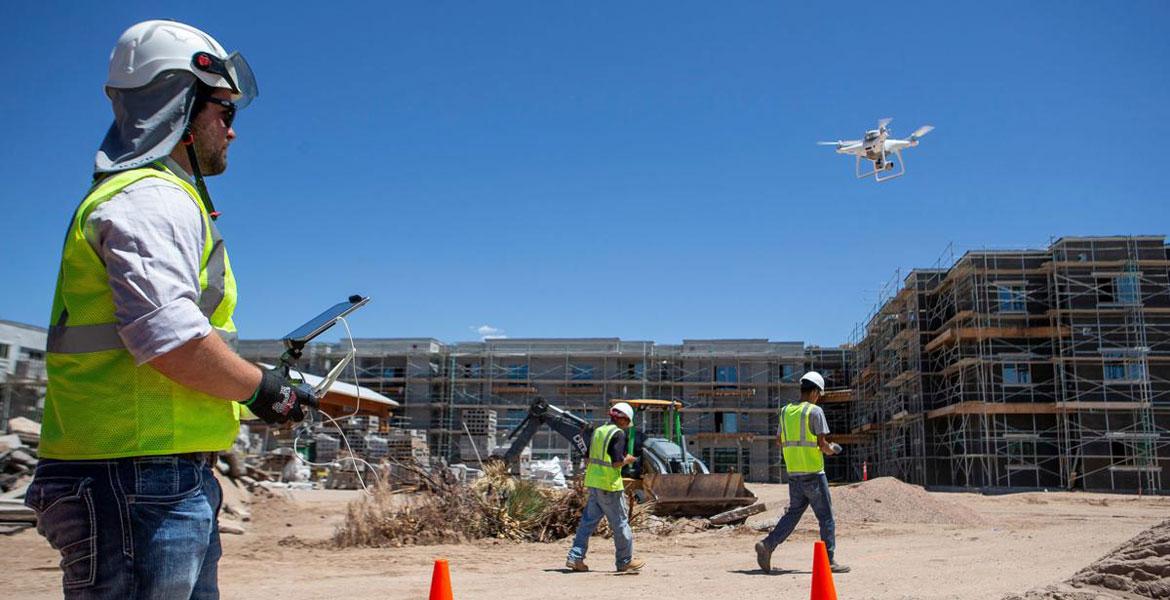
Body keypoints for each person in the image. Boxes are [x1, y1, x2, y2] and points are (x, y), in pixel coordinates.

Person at [25, 20, 316, 599]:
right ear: (182, 109)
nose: (232, 133)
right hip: (133, 478)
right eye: (224, 114)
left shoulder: (153, 197)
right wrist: (264, 389)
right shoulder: (151, 199)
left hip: (145, 475)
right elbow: (172, 338)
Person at [754, 371, 851, 574]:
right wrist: (833, 449)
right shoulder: (814, 411)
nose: (819, 398)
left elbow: (779, 441)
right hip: (814, 474)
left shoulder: (785, 411)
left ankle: (768, 545)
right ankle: (829, 560)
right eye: (819, 394)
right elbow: (822, 444)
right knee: (826, 518)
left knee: (793, 514)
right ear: (815, 391)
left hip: (794, 474)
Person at [566, 402, 646, 573]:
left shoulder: (598, 431)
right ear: (623, 419)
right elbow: (617, 462)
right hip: (609, 486)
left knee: (587, 523)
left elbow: (587, 459)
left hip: (594, 484)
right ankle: (625, 561)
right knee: (621, 524)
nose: (627, 425)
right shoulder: (617, 434)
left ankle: (575, 558)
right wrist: (628, 460)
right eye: (627, 422)